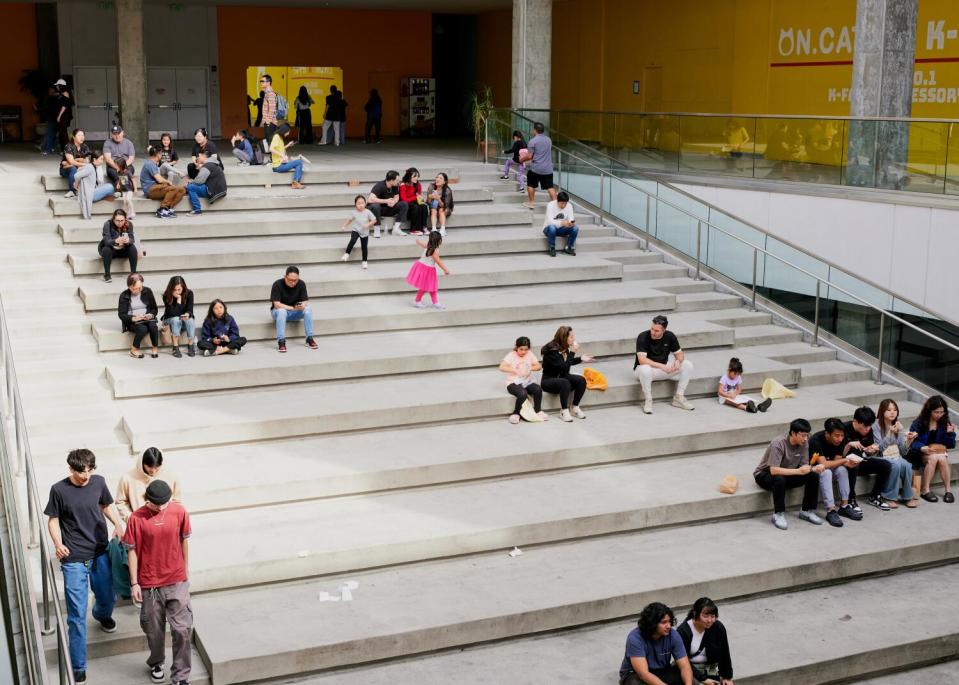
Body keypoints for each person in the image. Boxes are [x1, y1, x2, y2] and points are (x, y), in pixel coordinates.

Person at [44, 448, 123, 685]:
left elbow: (106, 504)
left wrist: (117, 524)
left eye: (90, 470)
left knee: (107, 598)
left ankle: (101, 614)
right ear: (71, 469)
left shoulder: (98, 483)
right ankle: (78, 665)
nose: (86, 475)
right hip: (74, 559)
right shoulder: (59, 490)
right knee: (76, 615)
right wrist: (58, 544)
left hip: (99, 552)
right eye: (81, 472)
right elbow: (53, 520)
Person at [122, 479, 193, 685]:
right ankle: (156, 661)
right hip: (150, 583)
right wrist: (134, 582)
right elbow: (132, 550)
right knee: (153, 629)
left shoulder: (179, 512)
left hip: (176, 579)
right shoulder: (136, 518)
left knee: (182, 629)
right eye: (157, 504)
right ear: (148, 500)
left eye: (165, 503)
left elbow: (183, 540)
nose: (161, 507)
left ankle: (180, 676)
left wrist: (185, 568)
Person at [753, 418, 824, 530]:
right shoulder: (778, 443)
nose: (805, 439)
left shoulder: (804, 443)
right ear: (793, 433)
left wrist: (813, 469)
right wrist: (798, 471)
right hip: (764, 474)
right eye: (803, 435)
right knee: (779, 479)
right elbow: (774, 470)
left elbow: (803, 467)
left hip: (788, 474)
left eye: (807, 435)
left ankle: (807, 510)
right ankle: (778, 514)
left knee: (813, 475)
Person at [619, 602, 693, 685]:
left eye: (669, 621)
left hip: (661, 670)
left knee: (688, 676)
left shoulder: (673, 635)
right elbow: (643, 674)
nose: (668, 626)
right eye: (664, 622)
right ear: (652, 623)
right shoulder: (635, 638)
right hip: (635, 674)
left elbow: (684, 666)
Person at [633, 315, 695, 414]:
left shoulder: (670, 336)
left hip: (662, 370)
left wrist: (678, 361)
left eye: (656, 331)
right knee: (645, 369)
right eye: (652, 329)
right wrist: (662, 366)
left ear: (664, 330)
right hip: (643, 371)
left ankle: (679, 398)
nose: (653, 332)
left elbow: (680, 354)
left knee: (687, 364)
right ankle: (648, 401)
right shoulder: (643, 336)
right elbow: (642, 360)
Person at [809, 417, 860, 527]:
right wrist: (845, 460)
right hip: (813, 471)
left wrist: (848, 463)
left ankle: (844, 506)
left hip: (828, 468)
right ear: (827, 433)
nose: (840, 439)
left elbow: (837, 461)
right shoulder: (816, 440)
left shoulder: (841, 439)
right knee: (826, 472)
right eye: (836, 435)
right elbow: (824, 464)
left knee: (842, 469)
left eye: (842, 435)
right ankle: (830, 510)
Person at [907, 395, 956, 503]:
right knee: (934, 458)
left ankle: (948, 490)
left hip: (938, 452)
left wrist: (950, 433)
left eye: (941, 412)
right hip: (920, 454)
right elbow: (912, 442)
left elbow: (951, 445)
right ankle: (925, 490)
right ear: (929, 411)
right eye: (936, 412)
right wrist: (922, 448)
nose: (939, 415)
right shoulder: (918, 423)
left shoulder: (944, 422)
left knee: (942, 458)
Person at [540, 326, 594, 423]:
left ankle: (574, 407)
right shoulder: (552, 351)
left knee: (581, 380)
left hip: (561, 377)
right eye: (571, 337)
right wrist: (573, 352)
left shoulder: (564, 347)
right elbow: (564, 367)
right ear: (564, 337)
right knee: (565, 382)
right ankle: (564, 411)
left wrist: (580, 358)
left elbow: (567, 362)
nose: (574, 339)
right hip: (548, 380)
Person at [843, 406, 893, 511]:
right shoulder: (844, 429)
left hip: (861, 461)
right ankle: (851, 499)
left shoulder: (868, 430)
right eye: (865, 426)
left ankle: (875, 496)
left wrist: (870, 451)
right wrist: (849, 445)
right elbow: (838, 454)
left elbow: (867, 452)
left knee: (886, 465)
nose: (867, 429)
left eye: (870, 426)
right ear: (855, 421)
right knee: (854, 465)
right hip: (845, 464)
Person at [676, 598, 734, 685]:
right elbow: (684, 662)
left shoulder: (718, 627)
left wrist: (727, 676)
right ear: (695, 613)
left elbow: (725, 653)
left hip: (710, 669)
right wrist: (703, 679)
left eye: (713, 616)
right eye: (705, 616)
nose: (710, 620)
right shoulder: (683, 631)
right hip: (690, 670)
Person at [116, 447, 182, 523]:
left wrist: (173, 520)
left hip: (166, 525)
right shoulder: (127, 478)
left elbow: (177, 501)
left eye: (157, 467)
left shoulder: (171, 475)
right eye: (149, 467)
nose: (153, 471)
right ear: (142, 463)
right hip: (140, 526)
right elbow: (121, 502)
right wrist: (132, 520)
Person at [872, 398, 917, 507]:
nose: (892, 412)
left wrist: (909, 441)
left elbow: (903, 451)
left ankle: (907, 496)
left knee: (906, 465)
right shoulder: (876, 426)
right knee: (896, 465)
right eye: (889, 410)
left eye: (895, 410)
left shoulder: (898, 425)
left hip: (896, 456)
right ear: (882, 411)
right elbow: (879, 448)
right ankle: (888, 496)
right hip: (879, 456)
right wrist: (890, 433)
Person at [499, 336, 547, 424]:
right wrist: (515, 370)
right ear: (517, 347)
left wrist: (529, 369)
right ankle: (516, 413)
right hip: (513, 382)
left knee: (538, 389)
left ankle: (538, 411)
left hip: (526, 381)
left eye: (526, 349)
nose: (523, 352)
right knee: (522, 393)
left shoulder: (529, 354)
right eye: (521, 349)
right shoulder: (511, 355)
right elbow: (501, 367)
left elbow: (538, 366)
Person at [270, 266, 318, 353]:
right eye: (290, 280)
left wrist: (302, 305)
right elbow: (277, 304)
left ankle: (309, 338)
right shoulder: (277, 284)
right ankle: (281, 341)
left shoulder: (301, 284)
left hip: (295, 311)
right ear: (285, 276)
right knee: (281, 311)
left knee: (308, 309)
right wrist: (292, 308)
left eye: (295, 280)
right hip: (278, 312)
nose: (293, 283)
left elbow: (305, 300)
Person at [118, 273, 159, 359]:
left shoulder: (147, 291)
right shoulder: (124, 295)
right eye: (137, 288)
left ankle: (154, 347)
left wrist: (151, 315)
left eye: (141, 287)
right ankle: (133, 350)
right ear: (130, 287)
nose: (139, 290)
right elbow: (121, 314)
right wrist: (133, 318)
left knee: (153, 326)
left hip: (146, 318)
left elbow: (154, 308)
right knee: (142, 329)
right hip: (132, 321)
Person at [406, 232, 450, 309]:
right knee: (425, 287)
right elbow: (438, 261)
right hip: (426, 270)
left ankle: (435, 302)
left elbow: (424, 245)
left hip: (424, 268)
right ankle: (418, 301)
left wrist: (419, 242)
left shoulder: (430, 245)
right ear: (438, 241)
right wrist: (445, 269)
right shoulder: (434, 251)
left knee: (432, 286)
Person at [141, 145, 186, 219]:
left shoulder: (154, 163)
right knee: (173, 188)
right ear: (158, 154)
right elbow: (159, 179)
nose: (161, 155)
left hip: (157, 187)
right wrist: (168, 181)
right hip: (150, 190)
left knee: (182, 190)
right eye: (161, 153)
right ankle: (162, 209)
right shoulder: (150, 164)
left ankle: (168, 208)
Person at [98, 209, 138, 283]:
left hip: (123, 249)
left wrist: (128, 240)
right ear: (113, 219)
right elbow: (106, 241)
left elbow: (132, 239)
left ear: (125, 219)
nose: (120, 223)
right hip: (111, 250)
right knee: (106, 249)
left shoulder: (129, 224)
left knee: (132, 248)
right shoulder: (107, 224)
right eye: (117, 220)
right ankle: (107, 274)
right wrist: (115, 241)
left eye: (122, 220)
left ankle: (133, 273)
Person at [524, 121, 557, 209]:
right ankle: (556, 206)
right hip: (548, 168)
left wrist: (521, 159)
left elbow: (529, 156)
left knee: (531, 185)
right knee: (550, 187)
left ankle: (531, 203)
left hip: (536, 168)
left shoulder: (532, 141)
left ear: (535, 130)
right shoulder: (549, 140)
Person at [162, 275, 197, 358]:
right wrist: (178, 300)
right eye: (174, 290)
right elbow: (172, 313)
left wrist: (187, 314)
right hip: (169, 319)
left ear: (183, 288)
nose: (177, 292)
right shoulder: (166, 295)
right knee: (176, 319)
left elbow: (190, 310)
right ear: (171, 288)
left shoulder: (189, 293)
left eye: (179, 289)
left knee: (190, 320)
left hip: (183, 318)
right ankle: (175, 347)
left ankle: (190, 345)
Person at [185, 150, 228, 216]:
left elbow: (199, 181)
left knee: (191, 187)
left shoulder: (207, 166)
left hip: (214, 191)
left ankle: (197, 211)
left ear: (203, 156)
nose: (197, 158)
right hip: (221, 189)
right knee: (191, 187)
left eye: (198, 156)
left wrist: (191, 181)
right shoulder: (213, 164)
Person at [74, 151, 114, 220]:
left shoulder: (93, 166)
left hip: (93, 190)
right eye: (101, 159)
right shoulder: (90, 167)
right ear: (95, 159)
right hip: (91, 194)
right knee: (110, 187)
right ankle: (107, 196)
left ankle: (107, 196)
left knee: (107, 186)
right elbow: (76, 175)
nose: (102, 161)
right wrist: (76, 184)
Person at [368, 170, 409, 237]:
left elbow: (397, 197)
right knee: (375, 206)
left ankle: (396, 228)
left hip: (388, 208)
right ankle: (377, 230)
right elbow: (370, 199)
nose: (399, 181)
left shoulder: (395, 186)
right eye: (397, 180)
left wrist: (394, 202)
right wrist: (386, 201)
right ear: (391, 180)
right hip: (378, 210)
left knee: (404, 204)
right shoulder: (379, 186)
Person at [341, 195, 376, 270]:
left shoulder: (368, 212)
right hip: (356, 230)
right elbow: (349, 220)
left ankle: (364, 262)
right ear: (355, 205)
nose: (361, 205)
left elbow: (374, 220)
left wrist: (368, 224)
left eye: (362, 203)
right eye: (358, 203)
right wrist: (344, 226)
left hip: (365, 232)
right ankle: (346, 254)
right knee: (352, 240)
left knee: (364, 248)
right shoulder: (354, 212)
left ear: (365, 203)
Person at [270, 123, 307, 189]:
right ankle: (295, 182)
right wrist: (282, 155)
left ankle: (296, 182)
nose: (289, 133)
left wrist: (288, 145)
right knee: (299, 162)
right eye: (288, 131)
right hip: (278, 166)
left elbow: (281, 149)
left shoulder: (280, 137)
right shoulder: (276, 137)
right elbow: (271, 149)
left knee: (298, 163)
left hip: (281, 163)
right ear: (284, 130)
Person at [542, 191, 579, 257]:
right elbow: (550, 221)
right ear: (557, 201)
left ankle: (569, 247)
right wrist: (562, 223)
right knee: (552, 227)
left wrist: (571, 223)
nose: (564, 205)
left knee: (575, 228)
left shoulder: (569, 205)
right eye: (562, 203)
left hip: (562, 229)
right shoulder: (550, 205)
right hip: (548, 228)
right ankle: (552, 247)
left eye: (565, 203)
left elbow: (571, 218)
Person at [60, 128, 90, 198]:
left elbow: (88, 160)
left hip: (79, 168)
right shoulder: (68, 146)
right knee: (73, 168)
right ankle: (72, 190)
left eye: (83, 135)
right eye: (79, 135)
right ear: (74, 137)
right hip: (66, 170)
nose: (82, 137)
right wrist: (82, 162)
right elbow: (71, 162)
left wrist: (77, 160)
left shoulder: (85, 147)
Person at [399, 167, 428, 235]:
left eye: (417, 176)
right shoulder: (403, 185)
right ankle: (413, 230)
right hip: (406, 206)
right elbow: (404, 200)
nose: (416, 178)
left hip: (414, 203)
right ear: (409, 176)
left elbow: (418, 197)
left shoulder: (418, 185)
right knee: (416, 207)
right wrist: (415, 197)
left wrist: (420, 199)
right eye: (414, 176)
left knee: (424, 206)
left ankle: (424, 227)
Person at [54, 79, 74, 151]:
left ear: (61, 86)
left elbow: (64, 106)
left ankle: (67, 149)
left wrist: (59, 116)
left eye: (57, 85)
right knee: (61, 132)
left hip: (64, 116)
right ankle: (64, 149)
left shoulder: (65, 93)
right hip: (62, 116)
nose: (56, 87)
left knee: (63, 133)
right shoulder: (62, 93)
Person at [260, 74, 278, 142]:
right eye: (260, 81)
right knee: (269, 141)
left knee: (271, 141)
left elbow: (272, 108)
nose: (261, 83)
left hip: (270, 122)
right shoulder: (267, 93)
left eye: (262, 81)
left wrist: (268, 121)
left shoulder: (270, 94)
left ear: (268, 82)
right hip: (268, 121)